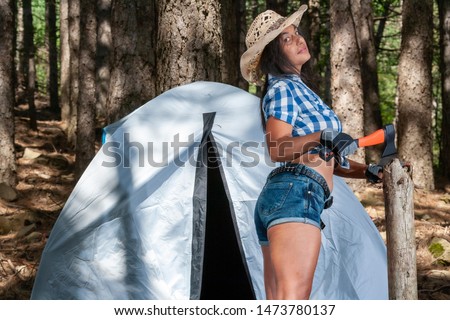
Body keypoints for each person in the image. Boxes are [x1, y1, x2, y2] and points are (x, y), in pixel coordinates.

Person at [240, 5, 383, 300]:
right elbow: (277, 148)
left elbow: (322, 155)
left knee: (280, 304)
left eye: (296, 33)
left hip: (290, 192)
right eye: (286, 39)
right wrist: (321, 134)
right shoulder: (282, 89)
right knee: (294, 304)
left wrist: (366, 171)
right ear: (272, 55)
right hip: (296, 192)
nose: (298, 39)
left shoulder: (300, 89)